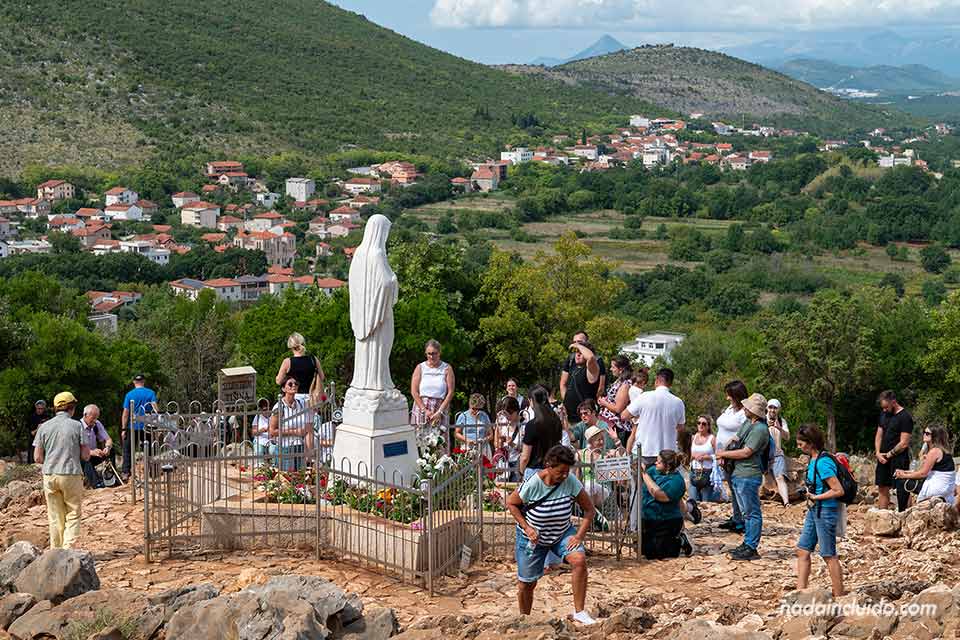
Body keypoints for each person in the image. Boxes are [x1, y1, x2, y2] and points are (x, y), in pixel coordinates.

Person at [506, 445, 597, 625]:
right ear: (549, 465)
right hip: (533, 538)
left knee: (579, 560)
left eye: (567, 472)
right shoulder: (533, 483)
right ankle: (525, 619)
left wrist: (578, 536)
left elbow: (589, 510)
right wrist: (527, 527)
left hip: (561, 534)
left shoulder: (570, 481)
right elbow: (511, 503)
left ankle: (580, 611)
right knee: (527, 584)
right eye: (560, 471)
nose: (564, 476)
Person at [622, 368, 685, 532]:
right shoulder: (678, 402)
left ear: (657, 380)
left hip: (644, 451)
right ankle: (669, 525)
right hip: (667, 454)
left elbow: (624, 415)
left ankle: (636, 527)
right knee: (668, 491)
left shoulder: (645, 397)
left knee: (637, 491)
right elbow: (681, 427)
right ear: (670, 383)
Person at [716, 393, 770, 561]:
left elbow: (747, 451)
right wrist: (725, 452)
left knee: (752, 512)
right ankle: (747, 543)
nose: (744, 408)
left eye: (747, 407)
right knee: (746, 511)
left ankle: (751, 546)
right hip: (739, 473)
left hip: (749, 474)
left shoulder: (760, 429)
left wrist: (724, 453)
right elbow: (735, 438)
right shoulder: (748, 423)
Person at [33, 392, 90, 549]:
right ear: (71, 408)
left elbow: (37, 457)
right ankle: (67, 550)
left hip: (49, 474)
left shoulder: (44, 427)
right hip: (71, 473)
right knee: (73, 512)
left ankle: (55, 551)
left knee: (55, 516)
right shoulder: (77, 426)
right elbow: (85, 455)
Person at [796, 423, 845, 597]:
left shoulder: (823, 463)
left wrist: (816, 497)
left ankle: (839, 595)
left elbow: (838, 490)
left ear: (810, 443)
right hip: (814, 509)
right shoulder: (814, 459)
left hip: (824, 511)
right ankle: (799, 592)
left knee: (828, 554)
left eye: (801, 444)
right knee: (803, 549)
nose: (799, 447)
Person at [639, 450, 693, 559]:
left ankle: (681, 539)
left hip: (667, 520)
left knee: (663, 555)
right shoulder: (653, 470)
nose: (655, 463)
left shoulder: (677, 481)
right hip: (649, 518)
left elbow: (659, 495)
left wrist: (644, 474)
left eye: (659, 462)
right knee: (647, 553)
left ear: (667, 466)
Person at [716, 380, 750, 532]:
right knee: (732, 488)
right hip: (724, 456)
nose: (727, 398)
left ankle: (744, 520)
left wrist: (726, 452)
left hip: (734, 456)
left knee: (738, 489)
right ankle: (737, 517)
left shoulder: (745, 413)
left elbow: (742, 435)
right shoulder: (730, 409)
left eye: (729, 395)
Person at [895, 426, 956, 505]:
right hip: (945, 488)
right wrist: (906, 473)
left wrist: (903, 476)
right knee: (906, 480)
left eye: (927, 433)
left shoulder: (934, 451)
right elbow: (924, 471)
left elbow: (923, 474)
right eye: (924, 432)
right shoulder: (942, 450)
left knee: (901, 482)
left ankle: (902, 511)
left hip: (937, 488)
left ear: (935, 436)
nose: (924, 435)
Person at [875, 390, 914, 512]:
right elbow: (879, 435)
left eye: (886, 407)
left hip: (899, 458)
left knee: (903, 489)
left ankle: (906, 516)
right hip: (882, 457)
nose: (885, 410)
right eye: (883, 408)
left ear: (894, 402)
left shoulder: (905, 417)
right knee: (882, 487)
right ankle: (882, 517)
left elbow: (904, 443)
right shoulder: (884, 414)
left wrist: (889, 454)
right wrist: (877, 453)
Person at [410, 339, 455, 439]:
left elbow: (451, 392)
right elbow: (414, 391)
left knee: (439, 441)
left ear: (439, 353)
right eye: (429, 353)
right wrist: (424, 410)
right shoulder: (420, 367)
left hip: (440, 408)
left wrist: (440, 412)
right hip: (421, 407)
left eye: (434, 353)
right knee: (420, 441)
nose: (431, 356)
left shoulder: (447, 368)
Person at [519, 385, 565, 480]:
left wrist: (521, 471)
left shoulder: (532, 425)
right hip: (553, 469)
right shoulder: (556, 422)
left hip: (534, 471)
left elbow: (525, 457)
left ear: (532, 400)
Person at [560, 332, 605, 425]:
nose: (577, 354)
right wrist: (566, 401)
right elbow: (563, 384)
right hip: (568, 417)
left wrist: (578, 346)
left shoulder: (592, 369)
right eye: (576, 352)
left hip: (583, 420)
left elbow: (591, 357)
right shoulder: (573, 363)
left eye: (580, 352)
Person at [269, 377, 313, 471]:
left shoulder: (302, 404)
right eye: (290, 384)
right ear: (283, 388)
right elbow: (272, 431)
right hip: (285, 447)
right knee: (288, 479)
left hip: (300, 446)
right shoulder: (279, 407)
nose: (294, 385)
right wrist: (294, 432)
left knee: (300, 478)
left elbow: (308, 429)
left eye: (296, 383)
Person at [120, 374, 159, 481]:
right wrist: (157, 425)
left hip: (133, 426)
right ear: (144, 381)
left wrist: (123, 429)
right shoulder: (150, 393)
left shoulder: (129, 395)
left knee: (128, 450)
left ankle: (126, 472)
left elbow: (126, 413)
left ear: (134, 382)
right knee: (151, 449)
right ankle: (153, 472)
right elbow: (155, 409)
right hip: (147, 426)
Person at [275, 332, 324, 404]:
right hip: (312, 398)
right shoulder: (313, 359)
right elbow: (322, 377)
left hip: (294, 398)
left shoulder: (287, 362)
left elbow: (279, 381)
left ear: (291, 346)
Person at [597, 355, 633, 447]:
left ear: (621, 369)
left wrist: (604, 403)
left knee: (611, 453)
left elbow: (618, 408)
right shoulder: (619, 381)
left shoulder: (625, 385)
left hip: (616, 426)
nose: (610, 369)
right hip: (608, 423)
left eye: (613, 367)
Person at [79, 405, 112, 489]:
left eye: (96, 418)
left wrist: (107, 448)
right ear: (85, 415)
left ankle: (111, 477)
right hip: (80, 458)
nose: (95, 421)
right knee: (85, 459)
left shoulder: (97, 424)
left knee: (112, 451)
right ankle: (96, 484)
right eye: (93, 418)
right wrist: (91, 452)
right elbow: (75, 449)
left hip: (94, 454)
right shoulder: (77, 427)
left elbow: (108, 439)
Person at [766, 399, 791, 507]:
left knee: (780, 477)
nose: (772, 410)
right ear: (767, 407)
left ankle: (786, 502)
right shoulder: (761, 418)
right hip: (763, 454)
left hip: (777, 453)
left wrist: (779, 428)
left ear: (778, 409)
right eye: (770, 407)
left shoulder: (781, 421)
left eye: (775, 408)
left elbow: (787, 437)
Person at [579, 426, 612, 507]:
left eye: (603, 439)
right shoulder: (580, 454)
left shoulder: (608, 453)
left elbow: (623, 454)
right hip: (585, 489)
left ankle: (591, 512)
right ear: (590, 441)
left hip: (603, 489)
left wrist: (616, 440)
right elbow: (577, 476)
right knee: (587, 487)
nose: (602, 442)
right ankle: (593, 514)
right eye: (599, 440)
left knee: (590, 485)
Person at [689, 415, 718, 503]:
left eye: (704, 424)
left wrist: (706, 457)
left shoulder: (712, 439)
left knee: (706, 503)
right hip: (694, 472)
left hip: (707, 473)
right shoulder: (693, 438)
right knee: (692, 501)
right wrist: (693, 456)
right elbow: (686, 456)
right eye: (699, 423)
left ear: (708, 426)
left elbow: (718, 455)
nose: (700, 425)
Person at [455, 393, 493, 458]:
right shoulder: (463, 416)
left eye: (478, 409)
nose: (476, 411)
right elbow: (457, 433)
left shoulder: (484, 416)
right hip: (468, 447)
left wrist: (483, 440)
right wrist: (467, 440)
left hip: (483, 447)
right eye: (474, 409)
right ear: (470, 405)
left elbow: (491, 435)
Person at [493, 396, 523, 479]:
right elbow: (496, 444)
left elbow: (526, 450)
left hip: (517, 462)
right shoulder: (502, 422)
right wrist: (501, 441)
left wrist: (512, 444)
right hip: (504, 461)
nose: (507, 417)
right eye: (505, 415)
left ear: (516, 411)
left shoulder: (524, 424)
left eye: (509, 414)